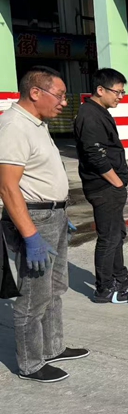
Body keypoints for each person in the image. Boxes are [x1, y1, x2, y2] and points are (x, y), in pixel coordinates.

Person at [0, 66, 89, 383]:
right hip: (34, 218)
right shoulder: (13, 126)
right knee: (33, 295)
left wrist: (61, 215)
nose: (64, 102)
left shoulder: (36, 124)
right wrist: (31, 235)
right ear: (35, 92)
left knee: (54, 288)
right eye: (61, 95)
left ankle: (53, 347)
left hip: (54, 215)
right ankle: (30, 363)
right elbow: (8, 187)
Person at [74, 68, 128, 304]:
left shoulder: (99, 111)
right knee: (109, 237)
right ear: (100, 90)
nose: (120, 97)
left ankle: (119, 277)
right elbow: (95, 155)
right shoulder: (89, 115)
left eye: (123, 92)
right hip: (104, 188)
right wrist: (117, 182)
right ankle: (104, 289)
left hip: (111, 187)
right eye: (117, 92)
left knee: (117, 233)